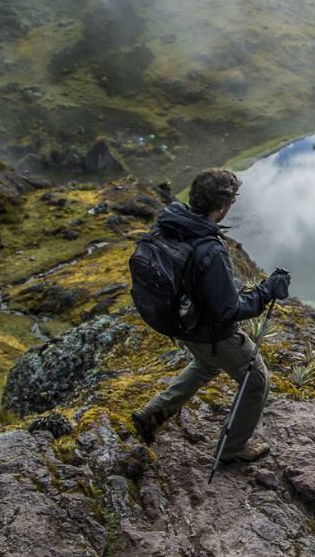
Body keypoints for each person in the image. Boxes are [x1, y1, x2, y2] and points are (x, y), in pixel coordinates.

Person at [130, 168, 291, 463]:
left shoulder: (173, 224)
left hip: (182, 325)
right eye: (230, 202)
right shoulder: (210, 249)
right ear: (222, 206)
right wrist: (267, 291)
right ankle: (232, 450)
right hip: (211, 333)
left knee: (205, 366)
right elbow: (229, 310)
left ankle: (152, 415)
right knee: (256, 380)